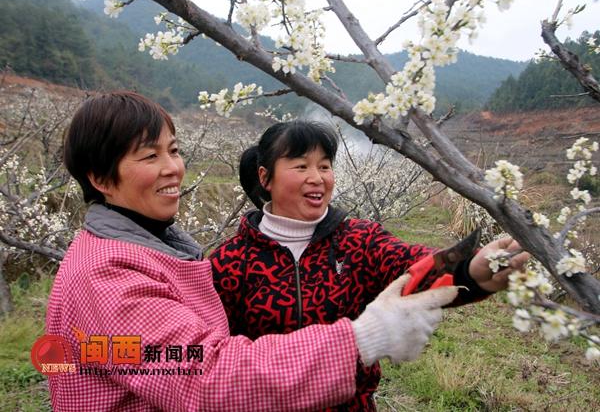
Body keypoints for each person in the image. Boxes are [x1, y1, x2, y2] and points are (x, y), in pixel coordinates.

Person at [46, 91, 460, 412]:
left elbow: (415, 263)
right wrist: (363, 338)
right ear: (100, 177)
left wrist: (478, 267)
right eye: (150, 155)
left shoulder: (152, 252)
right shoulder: (108, 276)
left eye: (173, 150)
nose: (173, 167)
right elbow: (205, 376)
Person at [209, 120, 530, 411]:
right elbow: (214, 360)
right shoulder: (229, 263)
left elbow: (412, 268)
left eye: (324, 166)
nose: (317, 178)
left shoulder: (357, 241)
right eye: (301, 166)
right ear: (265, 177)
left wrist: (470, 270)